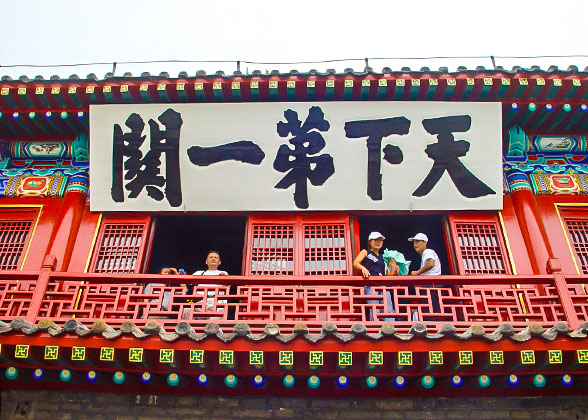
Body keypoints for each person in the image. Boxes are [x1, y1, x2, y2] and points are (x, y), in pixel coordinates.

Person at [352, 232, 398, 320]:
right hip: (370, 285)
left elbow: (388, 273)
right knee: (374, 308)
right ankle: (375, 327)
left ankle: (390, 326)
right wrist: (363, 268)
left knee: (388, 307)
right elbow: (355, 262)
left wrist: (394, 266)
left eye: (380, 240)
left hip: (383, 285)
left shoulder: (383, 258)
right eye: (375, 240)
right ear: (369, 242)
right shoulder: (366, 252)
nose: (378, 242)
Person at [408, 233, 442, 319]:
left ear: (425, 243)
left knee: (432, 307)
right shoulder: (425, 254)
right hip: (430, 284)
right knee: (431, 307)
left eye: (418, 242)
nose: (415, 245)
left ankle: (433, 324)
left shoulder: (427, 251)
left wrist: (417, 272)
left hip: (432, 284)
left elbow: (431, 264)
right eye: (414, 242)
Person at [190, 251, 228, 315]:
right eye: (211, 257)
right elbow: (188, 284)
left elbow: (228, 285)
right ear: (206, 262)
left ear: (219, 262)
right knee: (187, 310)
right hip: (200, 301)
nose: (213, 259)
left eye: (215, 257)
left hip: (217, 301)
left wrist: (224, 278)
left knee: (215, 322)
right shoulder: (198, 273)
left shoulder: (223, 273)